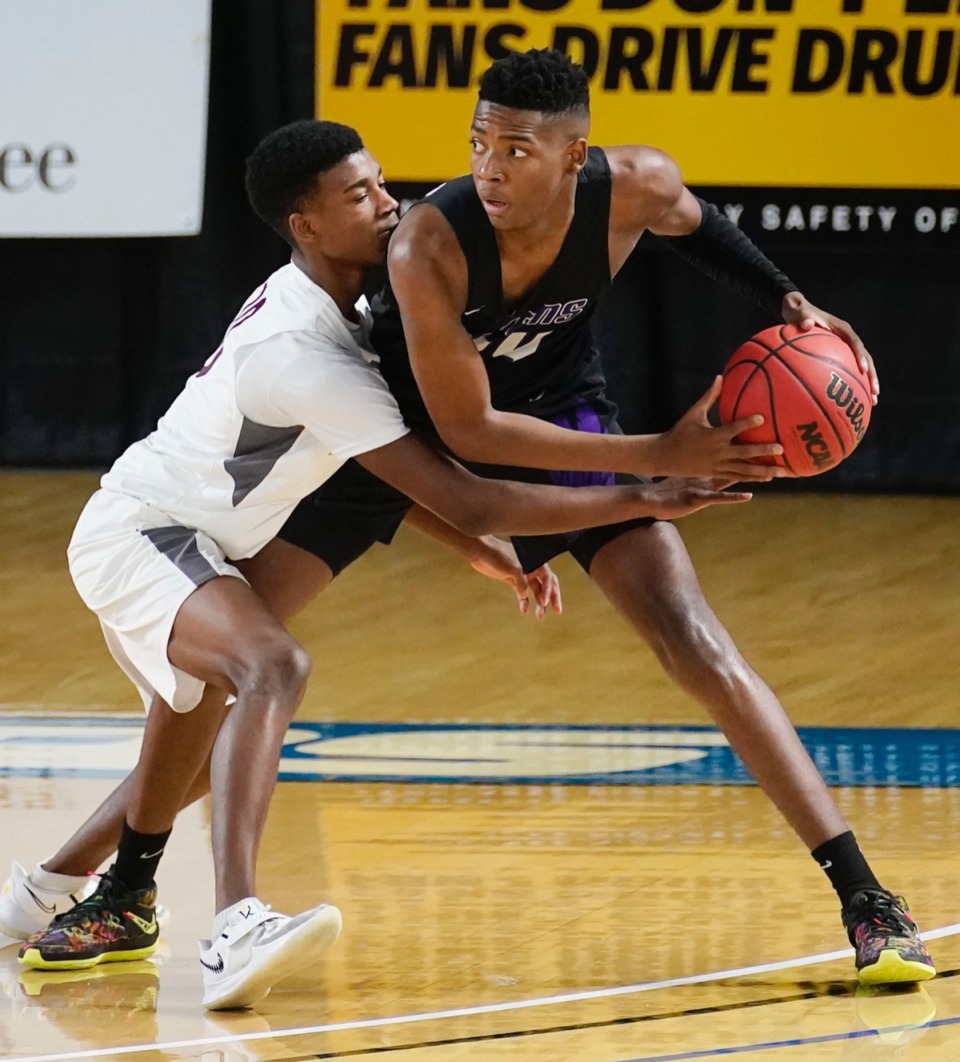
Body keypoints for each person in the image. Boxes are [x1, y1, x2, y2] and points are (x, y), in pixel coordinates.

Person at [6, 118, 753, 1010]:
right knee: (269, 666)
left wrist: (479, 550)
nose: (388, 202)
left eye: (381, 181)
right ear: (306, 227)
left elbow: (401, 477)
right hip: (142, 532)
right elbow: (463, 489)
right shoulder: (308, 357)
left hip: (200, 543)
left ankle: (57, 892)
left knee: (201, 721)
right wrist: (647, 486)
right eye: (358, 195)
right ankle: (234, 923)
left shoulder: (358, 313)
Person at [326, 49, 936, 984]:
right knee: (242, 650)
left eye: (518, 149)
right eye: (479, 142)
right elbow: (468, 431)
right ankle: (119, 881)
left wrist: (786, 299)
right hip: (396, 438)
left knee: (697, 642)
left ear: (576, 156)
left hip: (567, 416)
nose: (489, 166)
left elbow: (696, 224)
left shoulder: (633, 184)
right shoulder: (430, 246)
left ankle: (867, 899)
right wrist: (655, 462)